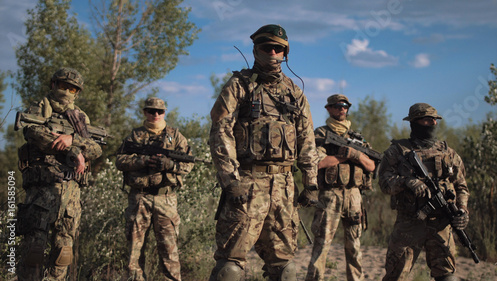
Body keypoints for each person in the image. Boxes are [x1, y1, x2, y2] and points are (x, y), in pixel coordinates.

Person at [208, 24, 319, 281]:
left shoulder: (295, 92)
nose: (272, 52)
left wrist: (311, 182)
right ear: (255, 50)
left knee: (285, 268)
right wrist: (230, 180)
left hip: (283, 188)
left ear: (285, 54)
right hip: (246, 185)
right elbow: (220, 131)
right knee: (230, 268)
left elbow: (307, 138)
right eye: (266, 47)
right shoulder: (239, 85)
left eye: (278, 48)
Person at [16, 67, 103, 280]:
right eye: (63, 86)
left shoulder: (80, 118)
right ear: (53, 85)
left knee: (64, 250)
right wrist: (74, 151)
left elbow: (96, 149)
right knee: (33, 249)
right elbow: (37, 135)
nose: (67, 92)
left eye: (73, 89)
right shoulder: (38, 109)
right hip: (42, 187)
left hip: (71, 190)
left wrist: (73, 140)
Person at [378, 103, 470, 281]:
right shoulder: (397, 152)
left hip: (442, 223)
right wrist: (407, 182)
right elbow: (384, 184)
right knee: (395, 275)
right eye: (427, 120)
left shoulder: (449, 154)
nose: (433, 124)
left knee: (446, 275)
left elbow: (461, 186)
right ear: (414, 122)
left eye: (434, 120)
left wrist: (463, 210)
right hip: (409, 223)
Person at [115, 97, 194, 281]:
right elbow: (120, 160)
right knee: (134, 251)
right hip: (139, 198)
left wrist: (169, 165)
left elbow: (188, 164)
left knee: (169, 251)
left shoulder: (176, 136)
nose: (155, 115)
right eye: (151, 111)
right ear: (145, 112)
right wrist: (142, 161)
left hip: (165, 199)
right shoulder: (135, 136)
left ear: (165, 113)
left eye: (159, 111)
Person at [301, 94, 376, 281]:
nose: (342, 109)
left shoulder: (356, 138)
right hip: (330, 195)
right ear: (328, 109)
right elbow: (317, 162)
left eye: (345, 106)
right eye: (337, 106)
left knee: (354, 247)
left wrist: (356, 156)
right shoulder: (320, 134)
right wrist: (345, 157)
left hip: (354, 196)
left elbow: (372, 166)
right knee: (322, 246)